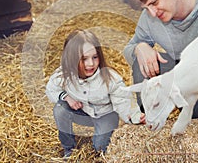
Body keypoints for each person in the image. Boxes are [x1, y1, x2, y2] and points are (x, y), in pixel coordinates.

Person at [46, 29, 145, 157]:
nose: (91, 64)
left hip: (105, 115)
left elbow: (123, 100)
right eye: (84, 59)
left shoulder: (110, 78)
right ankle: (68, 149)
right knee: (60, 109)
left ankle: (103, 136)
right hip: (83, 112)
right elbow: (51, 88)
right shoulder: (64, 74)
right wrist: (66, 97)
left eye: (95, 57)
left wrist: (136, 116)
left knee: (99, 148)